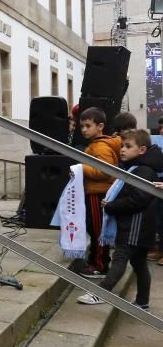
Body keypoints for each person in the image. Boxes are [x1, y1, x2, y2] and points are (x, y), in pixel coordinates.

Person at [77, 129, 156, 309]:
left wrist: (111, 205)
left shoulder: (143, 170)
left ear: (142, 150)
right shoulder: (138, 167)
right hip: (138, 225)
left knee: (121, 258)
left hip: (135, 225)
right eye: (122, 146)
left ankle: (102, 293)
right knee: (139, 264)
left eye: (128, 147)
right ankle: (143, 302)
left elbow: (139, 199)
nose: (122, 150)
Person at [77, 106, 121, 277]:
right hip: (95, 192)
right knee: (94, 229)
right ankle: (96, 260)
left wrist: (82, 168)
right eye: (82, 126)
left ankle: (100, 265)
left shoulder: (101, 147)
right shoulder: (96, 144)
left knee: (98, 231)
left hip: (98, 193)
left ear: (100, 126)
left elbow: (105, 171)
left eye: (88, 126)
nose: (84, 130)